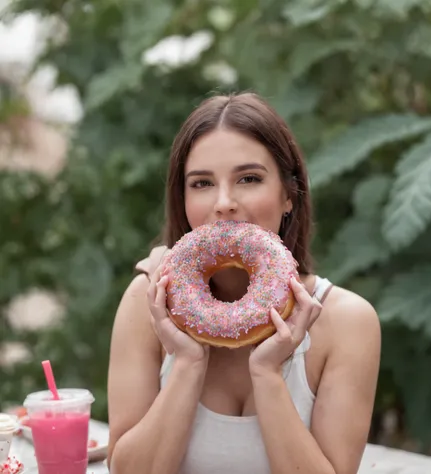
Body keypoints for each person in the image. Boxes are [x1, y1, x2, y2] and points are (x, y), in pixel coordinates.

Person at [106, 92, 381, 474]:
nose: (224, 202)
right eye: (201, 183)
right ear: (182, 199)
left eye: (248, 178)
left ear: (289, 194)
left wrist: (268, 374)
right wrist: (186, 361)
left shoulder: (348, 322)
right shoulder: (147, 303)